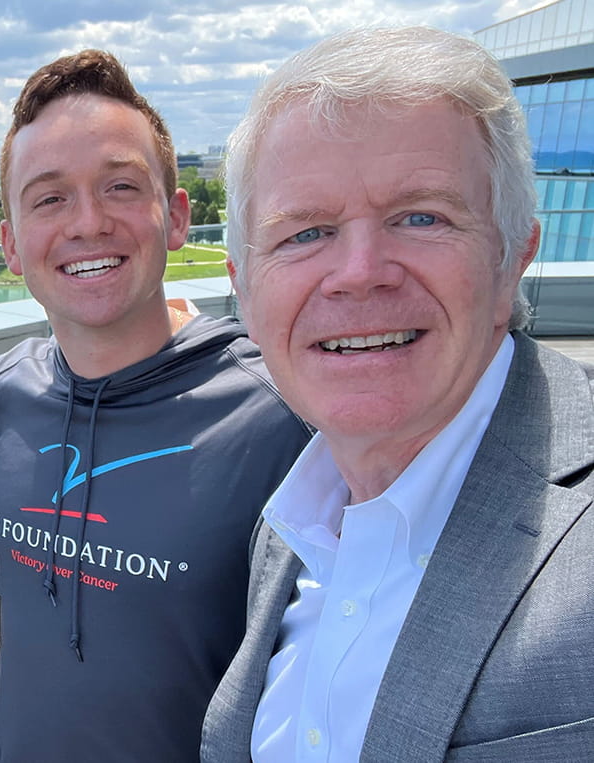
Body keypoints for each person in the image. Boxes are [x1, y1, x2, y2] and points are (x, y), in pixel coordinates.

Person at [201, 26, 594, 761]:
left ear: (513, 259)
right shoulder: (287, 527)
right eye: (306, 232)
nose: (359, 271)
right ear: (244, 291)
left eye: (422, 217)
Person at [0, 50, 311, 760]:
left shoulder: (279, 417)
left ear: (178, 215)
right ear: (11, 243)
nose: (88, 221)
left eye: (121, 187)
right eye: (49, 197)